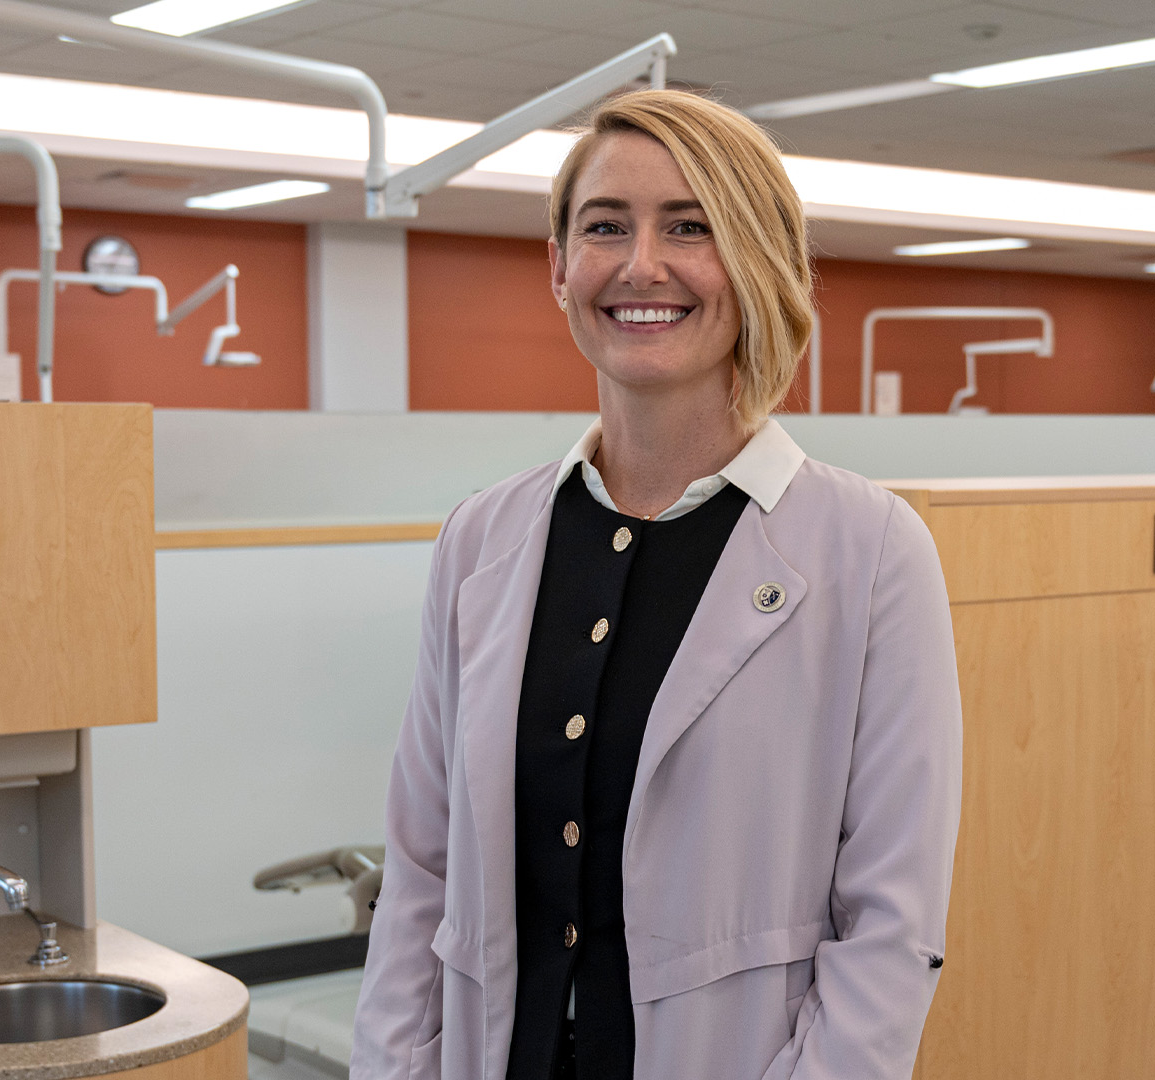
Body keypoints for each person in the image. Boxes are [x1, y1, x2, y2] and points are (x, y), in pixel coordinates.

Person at [352, 89, 961, 1080]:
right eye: (605, 227)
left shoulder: (870, 549)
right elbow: (423, 874)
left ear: (758, 262)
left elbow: (890, 927)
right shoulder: (481, 542)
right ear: (558, 268)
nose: (642, 265)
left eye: (692, 226)